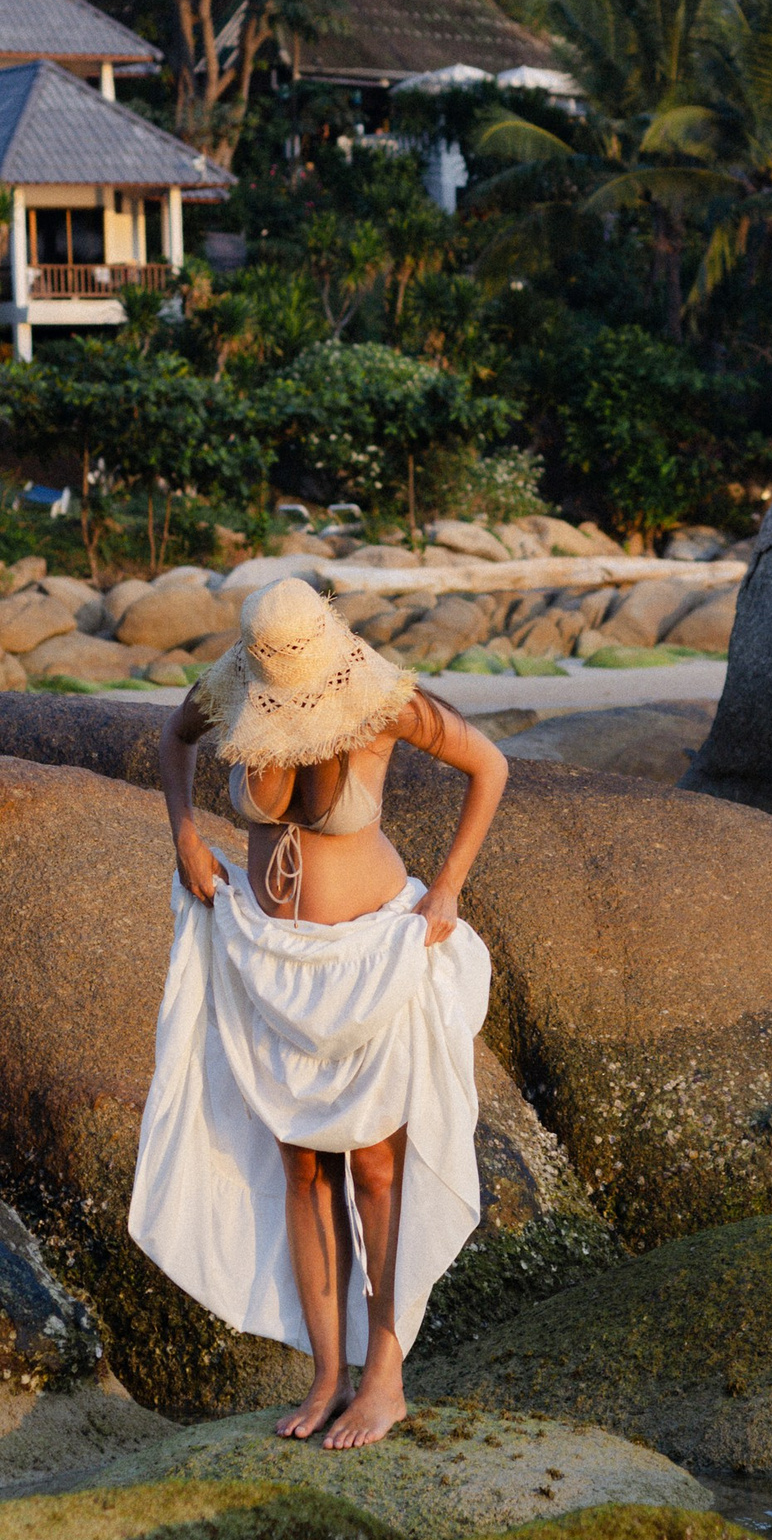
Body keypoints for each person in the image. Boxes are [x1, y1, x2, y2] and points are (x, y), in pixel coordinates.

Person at [128, 576, 508, 1449]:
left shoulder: (380, 700)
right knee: (302, 1166)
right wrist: (185, 834)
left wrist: (449, 885)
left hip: (368, 961)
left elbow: (490, 764)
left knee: (374, 1166)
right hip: (269, 959)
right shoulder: (234, 686)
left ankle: (385, 1378)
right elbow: (174, 739)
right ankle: (328, 1374)